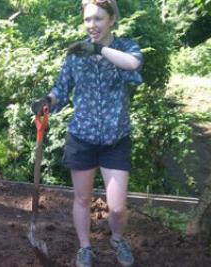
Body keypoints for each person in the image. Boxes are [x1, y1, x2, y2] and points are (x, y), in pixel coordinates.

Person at [32, 0, 143, 266]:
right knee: (82, 198)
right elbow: (61, 88)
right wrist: (47, 100)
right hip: (81, 136)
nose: (92, 25)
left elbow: (133, 65)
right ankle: (85, 247)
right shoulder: (75, 54)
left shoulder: (126, 47)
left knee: (116, 206)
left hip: (116, 138)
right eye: (87, 20)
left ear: (112, 19)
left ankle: (117, 238)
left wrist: (98, 49)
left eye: (98, 19)